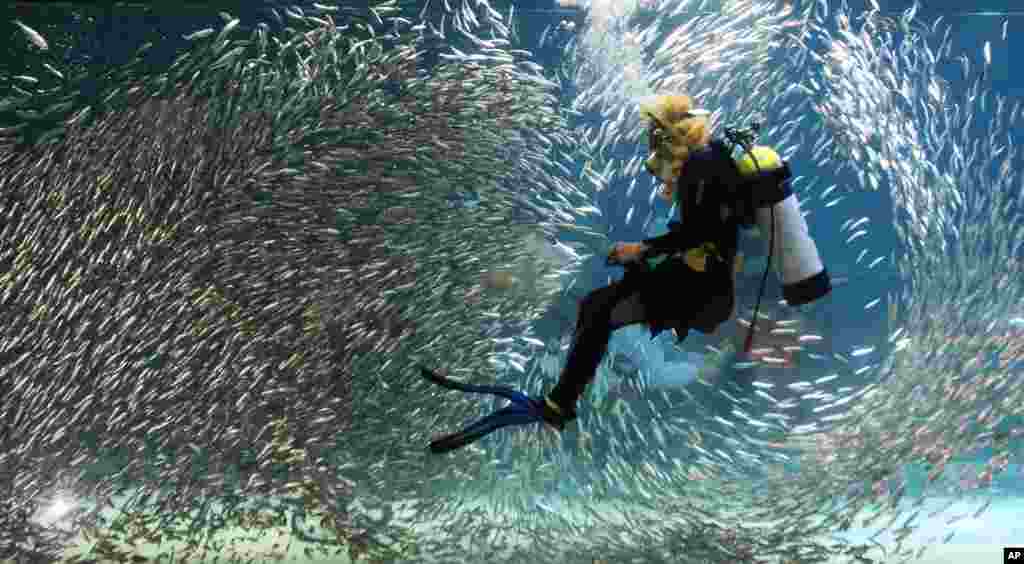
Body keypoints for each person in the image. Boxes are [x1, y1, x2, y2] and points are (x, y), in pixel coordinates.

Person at [421, 94, 831, 453]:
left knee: (598, 308)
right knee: (597, 306)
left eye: (654, 135)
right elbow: (708, 231)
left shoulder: (700, 166)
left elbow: (701, 233)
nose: (650, 146)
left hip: (701, 290)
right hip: (698, 281)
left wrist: (642, 250)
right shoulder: (710, 160)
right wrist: (643, 255)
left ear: (668, 134)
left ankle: (560, 404)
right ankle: (560, 402)